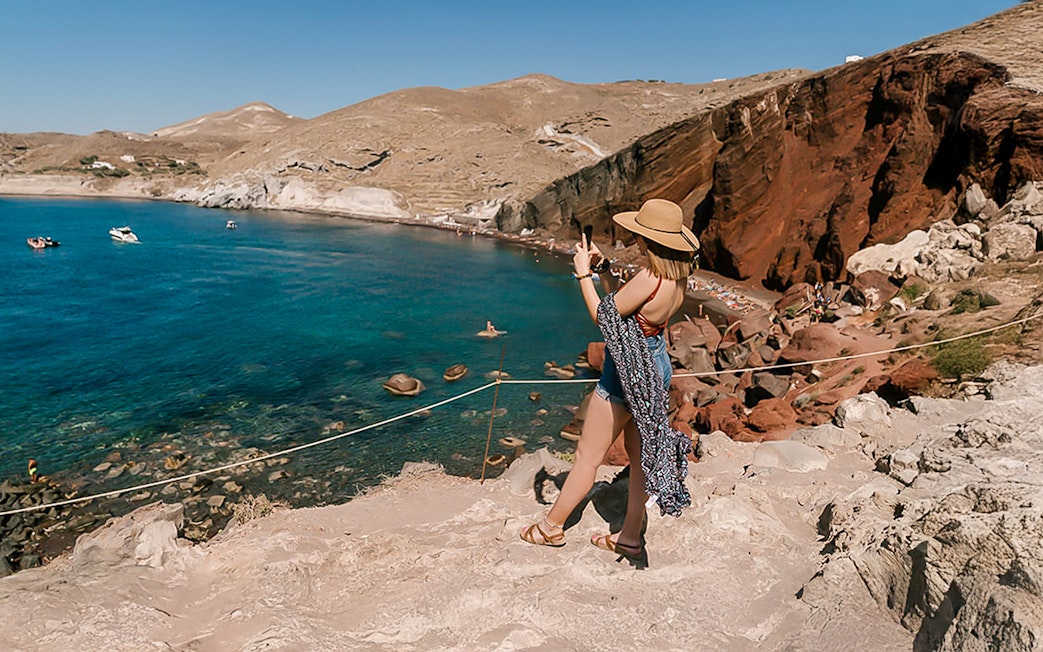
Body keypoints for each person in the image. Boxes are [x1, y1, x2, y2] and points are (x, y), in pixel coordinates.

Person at [519, 198, 699, 560]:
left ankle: (551, 527)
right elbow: (629, 304)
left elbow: (606, 317)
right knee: (639, 457)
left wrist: (584, 273)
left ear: (649, 239)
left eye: (640, 234)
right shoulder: (677, 277)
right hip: (655, 366)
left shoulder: (650, 277)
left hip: (626, 373)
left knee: (587, 457)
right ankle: (630, 536)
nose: (635, 239)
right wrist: (605, 271)